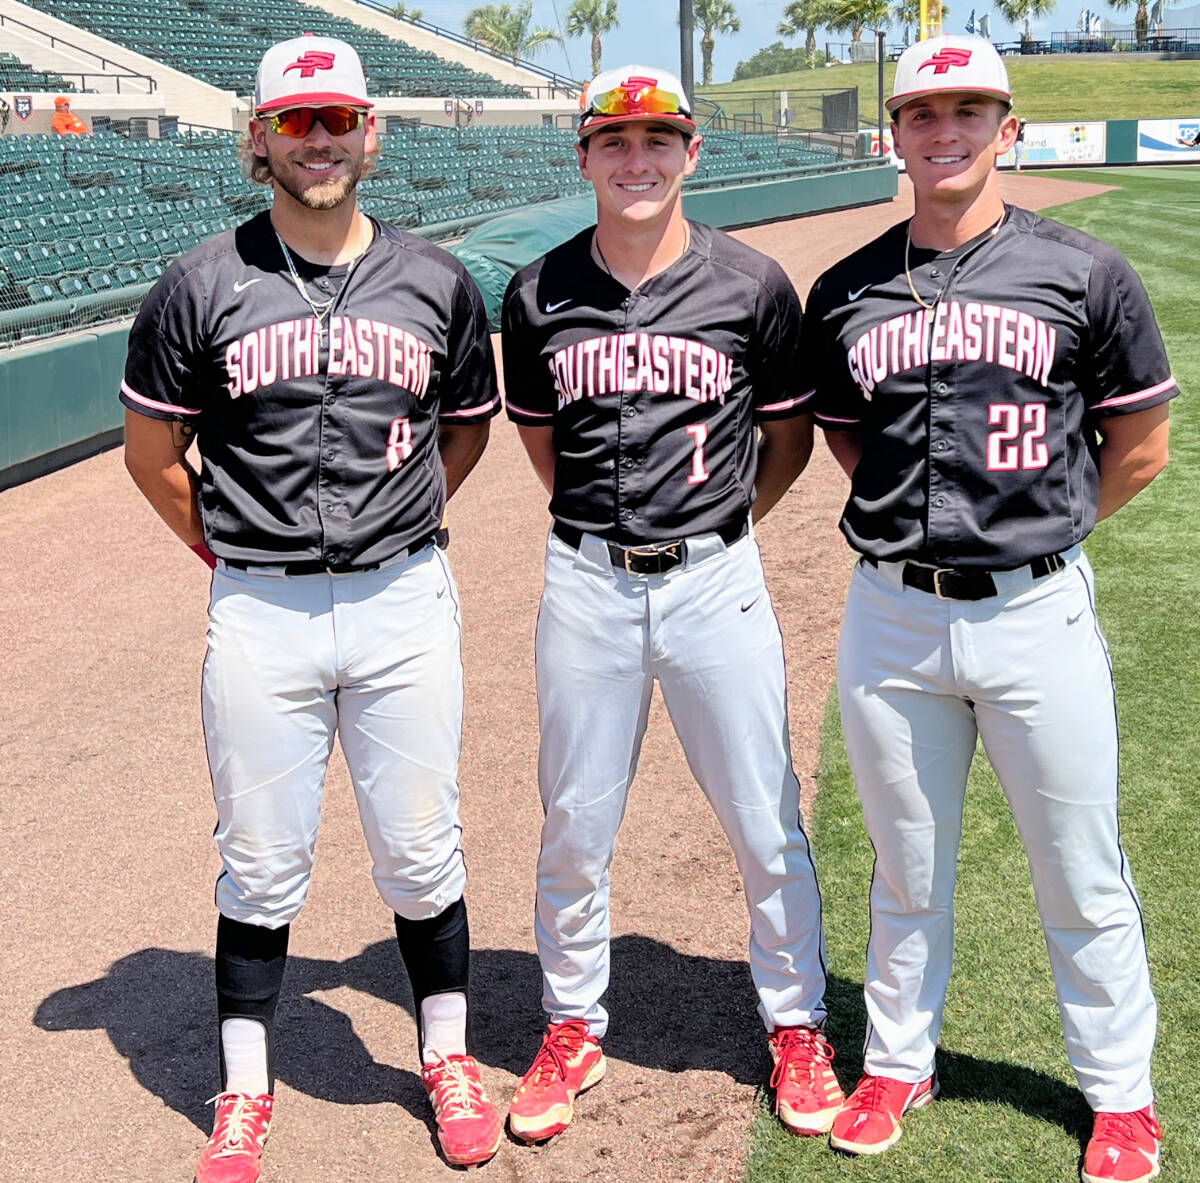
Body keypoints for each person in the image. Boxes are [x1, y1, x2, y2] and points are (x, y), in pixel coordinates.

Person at [121, 35, 504, 1178]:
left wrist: (397, 521)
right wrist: (231, 551)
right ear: (261, 138)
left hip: (403, 598)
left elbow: (463, 433)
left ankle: (446, 1056)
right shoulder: (199, 282)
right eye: (296, 121)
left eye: (338, 118)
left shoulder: (437, 280)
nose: (319, 139)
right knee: (259, 859)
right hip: (262, 610)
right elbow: (151, 456)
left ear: (369, 133)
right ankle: (245, 1090)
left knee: (421, 849)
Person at [800, 34, 1173, 1180]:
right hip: (892, 616)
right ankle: (897, 1063)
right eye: (923, 112)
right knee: (906, 866)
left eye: (968, 110)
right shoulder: (846, 289)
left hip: (1033, 612)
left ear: (1008, 129)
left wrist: (1040, 530)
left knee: (1080, 867)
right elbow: (852, 440)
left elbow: (1140, 445)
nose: (945, 131)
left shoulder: (1084, 270)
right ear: (895, 135)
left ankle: (1120, 1093)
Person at [501, 64, 841, 1146]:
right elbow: (545, 447)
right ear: (584, 157)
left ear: (693, 152)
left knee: (763, 817)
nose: (636, 159)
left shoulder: (752, 283)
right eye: (615, 140)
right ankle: (570, 1022)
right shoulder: (537, 291)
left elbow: (786, 439)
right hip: (587, 580)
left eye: (658, 140)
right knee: (574, 820)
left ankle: (796, 1021)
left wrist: (719, 526)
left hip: (714, 579)